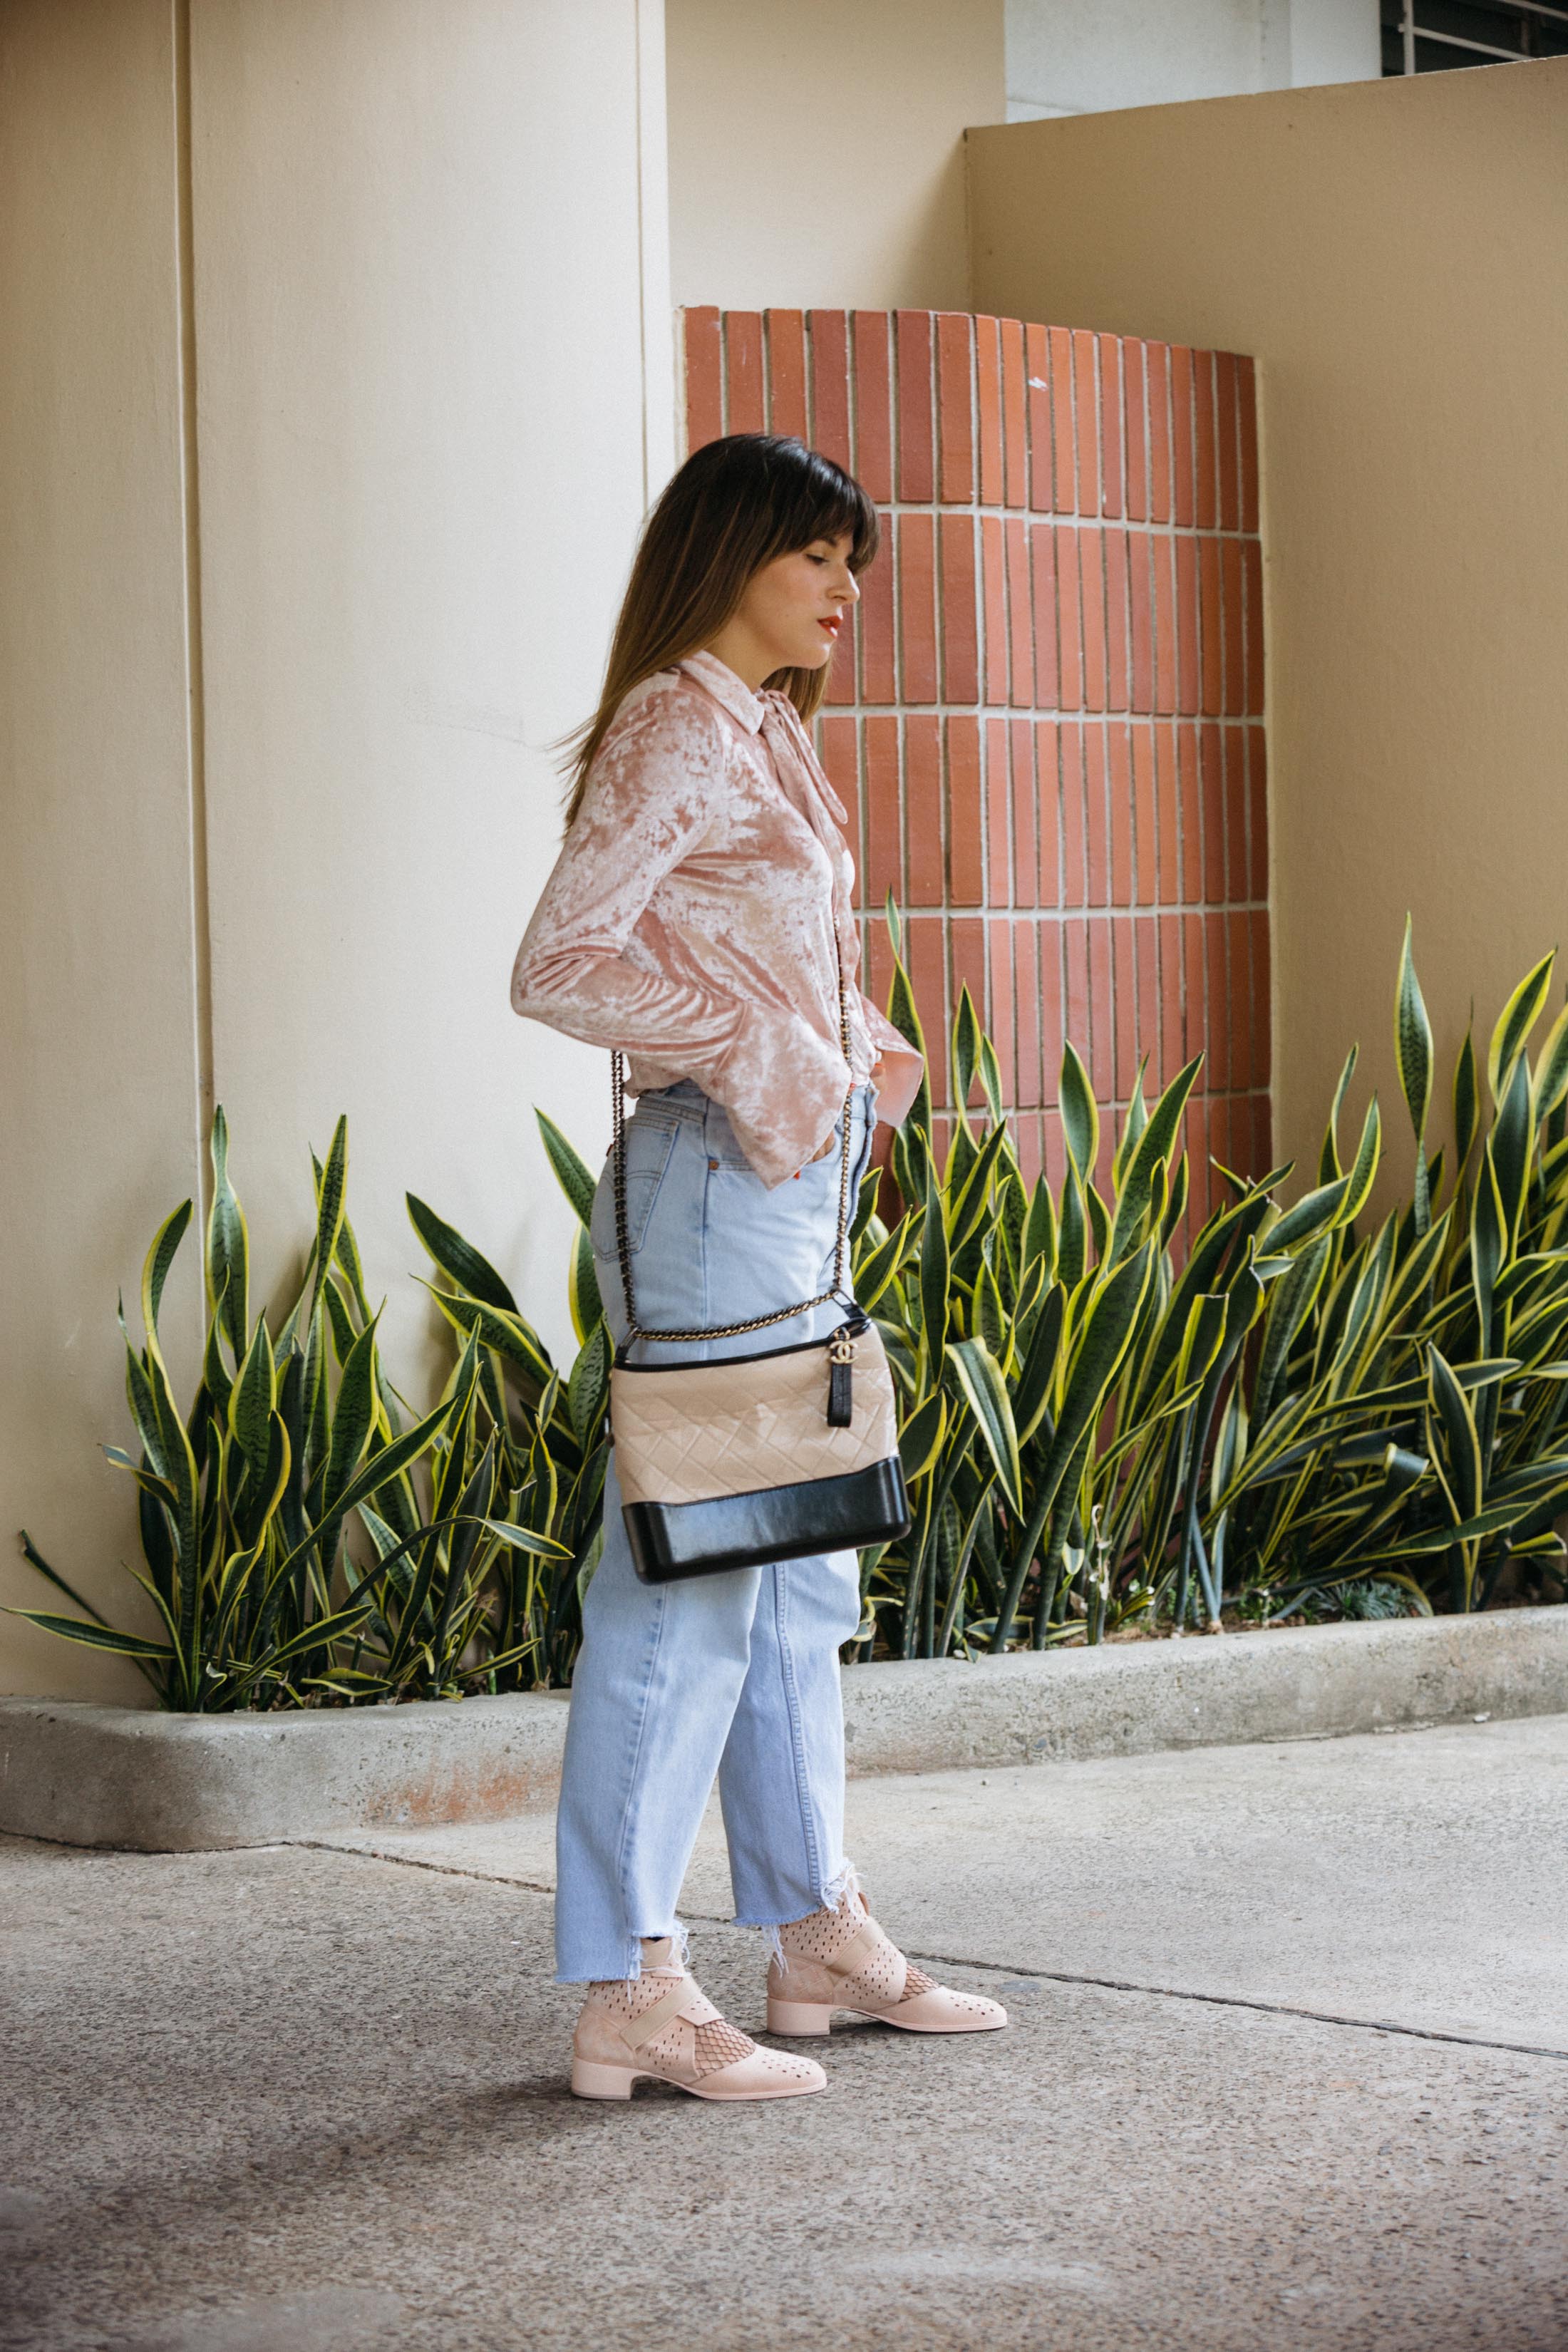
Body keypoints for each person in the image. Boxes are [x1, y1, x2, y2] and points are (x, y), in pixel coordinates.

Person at [511, 433, 1008, 2103]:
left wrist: (854, 1052)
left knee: (795, 1571)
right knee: (690, 1581)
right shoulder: (672, 720)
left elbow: (748, 947)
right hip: (713, 1192)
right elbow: (562, 960)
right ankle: (629, 1984)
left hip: (785, 1192)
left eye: (849, 561)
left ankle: (806, 1928)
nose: (845, 590)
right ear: (729, 555)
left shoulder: (760, 730)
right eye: (817, 558)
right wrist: (770, 1057)